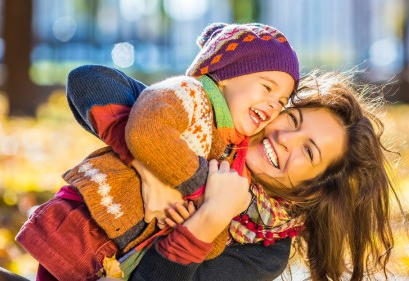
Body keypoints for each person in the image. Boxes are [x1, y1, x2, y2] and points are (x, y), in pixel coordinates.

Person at [16, 22, 300, 280]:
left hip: (119, 257)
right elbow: (147, 131)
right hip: (85, 226)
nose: (273, 103)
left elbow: (214, 243)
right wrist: (199, 191)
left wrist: (196, 217)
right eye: (266, 88)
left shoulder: (234, 155)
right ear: (227, 75)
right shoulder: (189, 96)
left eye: (281, 101)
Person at [70, 67, 401, 281]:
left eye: (308, 151)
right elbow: (87, 82)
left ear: (314, 189)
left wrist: (207, 221)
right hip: (62, 249)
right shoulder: (207, 132)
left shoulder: (264, 250)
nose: (284, 140)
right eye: (294, 121)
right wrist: (152, 164)